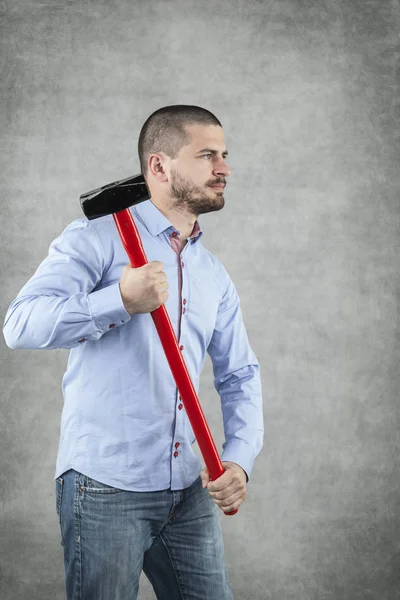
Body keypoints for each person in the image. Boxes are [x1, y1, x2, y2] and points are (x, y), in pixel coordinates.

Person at [3, 105, 264, 600]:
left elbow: (240, 375)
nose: (224, 167)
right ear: (160, 167)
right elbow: (19, 326)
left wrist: (239, 459)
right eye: (207, 155)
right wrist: (117, 300)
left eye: (224, 155)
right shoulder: (96, 239)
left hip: (188, 492)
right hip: (104, 490)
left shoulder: (212, 272)